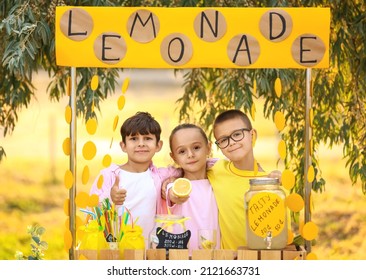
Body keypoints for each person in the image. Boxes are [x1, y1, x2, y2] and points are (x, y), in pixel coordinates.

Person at [89, 112, 180, 246]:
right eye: (134, 139)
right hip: (117, 250)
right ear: (123, 146)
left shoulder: (161, 176)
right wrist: (110, 198)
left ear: (158, 145)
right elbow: (91, 211)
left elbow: (192, 166)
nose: (141, 144)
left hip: (151, 251)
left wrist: (172, 179)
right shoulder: (108, 175)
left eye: (147, 138)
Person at [207, 109, 281, 250]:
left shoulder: (270, 184)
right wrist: (171, 178)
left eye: (237, 134)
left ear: (252, 135)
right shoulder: (216, 170)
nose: (232, 143)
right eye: (223, 140)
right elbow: (188, 166)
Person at [165, 124, 220, 252]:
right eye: (182, 151)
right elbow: (171, 193)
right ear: (174, 157)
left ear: (208, 148)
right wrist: (172, 192)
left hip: (217, 259)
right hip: (184, 260)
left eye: (196, 147)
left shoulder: (218, 181)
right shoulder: (174, 185)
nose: (190, 155)